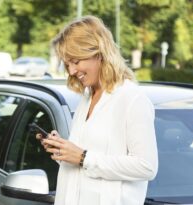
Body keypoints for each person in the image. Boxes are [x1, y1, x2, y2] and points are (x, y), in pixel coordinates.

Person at [37, 15, 158, 205]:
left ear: (99, 53)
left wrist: (84, 157)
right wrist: (63, 150)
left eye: (76, 61)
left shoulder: (132, 99)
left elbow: (147, 167)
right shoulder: (87, 98)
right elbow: (83, 164)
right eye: (67, 64)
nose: (71, 71)